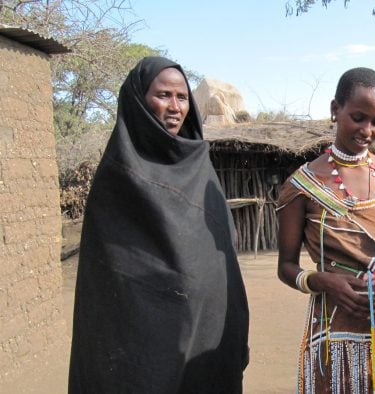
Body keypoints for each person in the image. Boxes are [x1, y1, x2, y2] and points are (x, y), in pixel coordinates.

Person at [68, 56, 249, 394]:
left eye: (182, 97)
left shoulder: (200, 166)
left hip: (206, 330)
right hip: (142, 336)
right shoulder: (119, 175)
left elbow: (219, 252)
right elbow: (116, 277)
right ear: (138, 99)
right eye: (163, 95)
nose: (175, 107)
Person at [276, 67, 375, 393]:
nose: (367, 130)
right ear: (335, 110)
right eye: (358, 117)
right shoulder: (301, 185)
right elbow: (286, 267)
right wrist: (323, 281)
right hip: (337, 330)